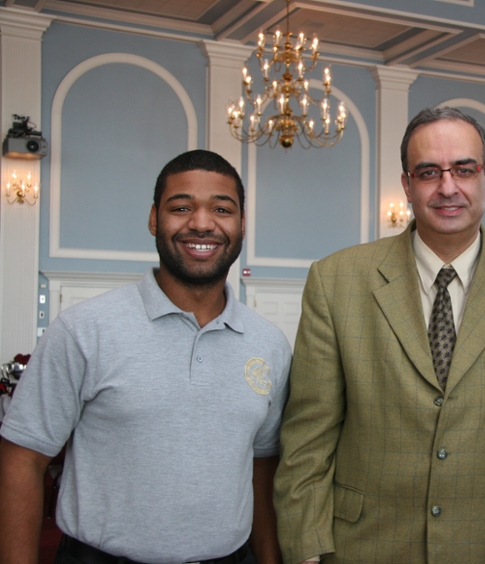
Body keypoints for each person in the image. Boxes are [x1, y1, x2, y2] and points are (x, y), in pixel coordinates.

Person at [274, 107, 485, 564]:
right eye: (428, 172)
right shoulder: (337, 280)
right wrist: (307, 549)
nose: (448, 187)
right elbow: (308, 439)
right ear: (407, 185)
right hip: (364, 547)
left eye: (464, 169)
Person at [0, 150, 291, 564]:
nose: (202, 223)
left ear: (242, 224)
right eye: (181, 207)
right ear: (154, 218)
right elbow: (22, 462)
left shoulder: (270, 344)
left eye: (222, 209)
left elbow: (263, 470)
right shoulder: (84, 329)